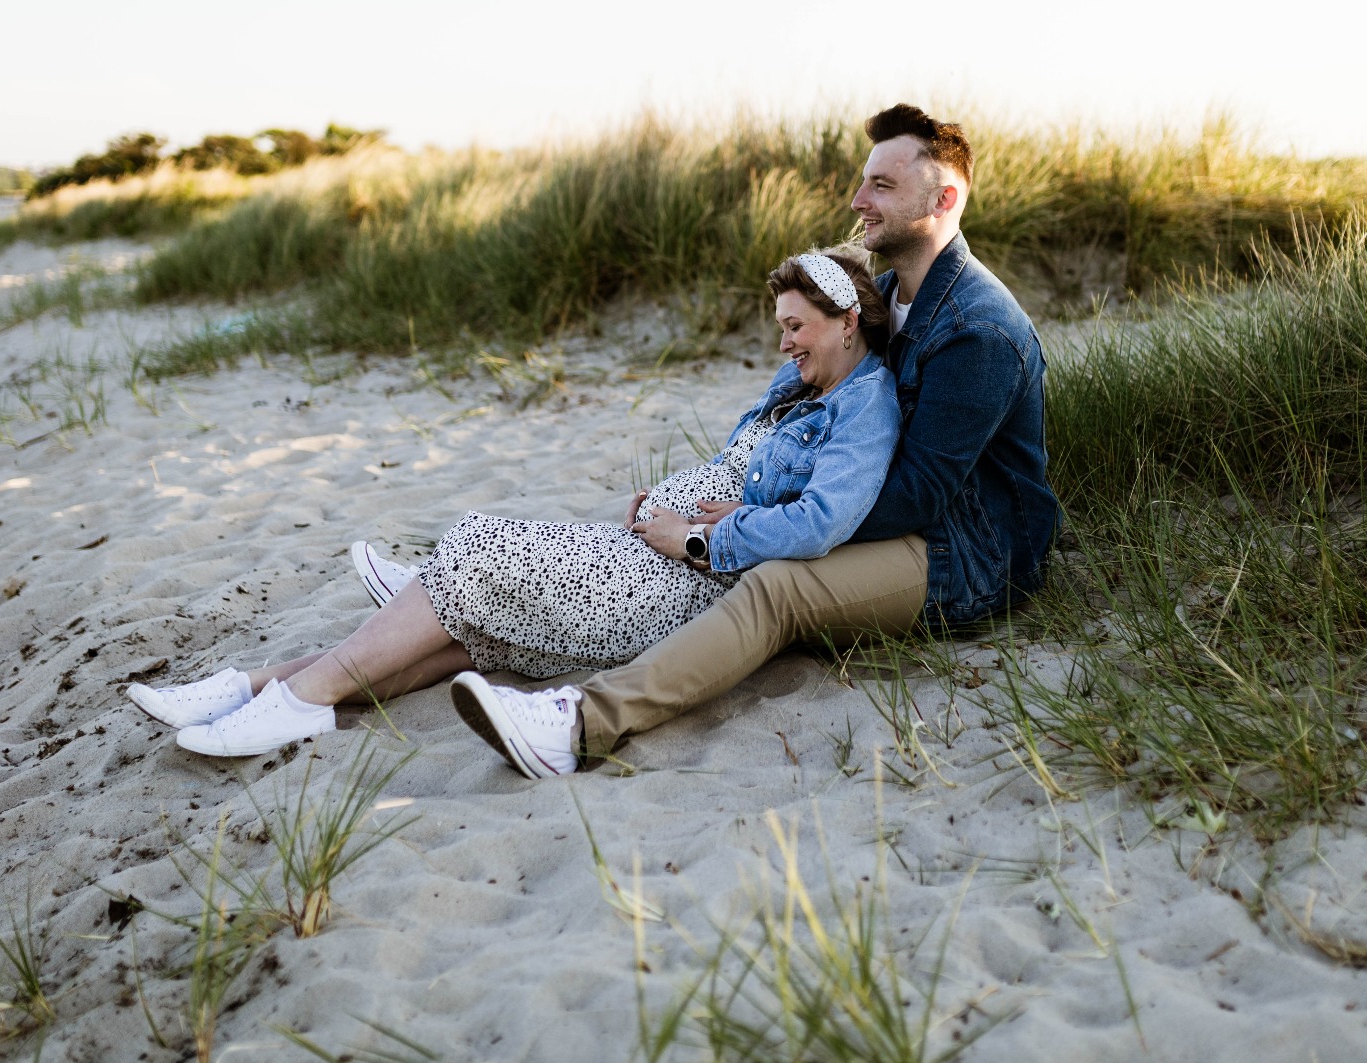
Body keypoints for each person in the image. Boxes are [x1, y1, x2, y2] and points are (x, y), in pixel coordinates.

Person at [448, 103, 1059, 777]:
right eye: (863, 181)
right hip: (879, 512)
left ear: (944, 199)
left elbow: (917, 497)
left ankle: (582, 722)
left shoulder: (978, 329)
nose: (857, 200)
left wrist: (752, 524)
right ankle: (470, 593)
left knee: (777, 586)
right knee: (699, 537)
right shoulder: (885, 295)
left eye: (882, 185)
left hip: (963, 552)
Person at [125, 251, 898, 758]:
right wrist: (677, 503)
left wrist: (694, 537)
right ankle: (254, 687)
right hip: (654, 553)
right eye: (781, 327)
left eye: (795, 326)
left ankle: (301, 695)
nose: (784, 343)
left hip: (685, 588)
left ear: (846, 321)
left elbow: (821, 522)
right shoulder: (804, 380)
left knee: (477, 544)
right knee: (469, 635)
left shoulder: (866, 405)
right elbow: (745, 470)